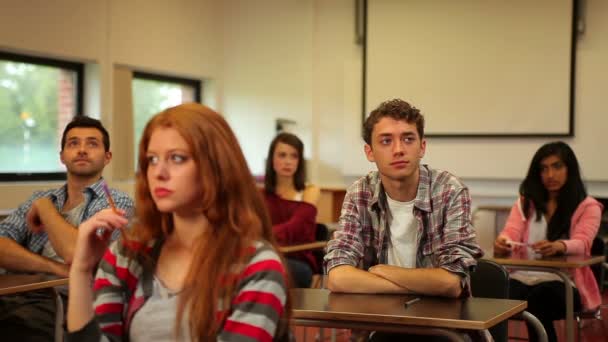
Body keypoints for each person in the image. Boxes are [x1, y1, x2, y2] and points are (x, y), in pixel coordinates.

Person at [67, 103, 289, 341]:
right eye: (152, 159)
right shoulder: (126, 255)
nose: (159, 172)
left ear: (216, 166)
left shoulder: (255, 264)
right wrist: (81, 271)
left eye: (177, 158)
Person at [324, 99, 483, 341]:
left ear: (422, 147)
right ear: (369, 152)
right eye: (386, 141)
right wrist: (418, 284)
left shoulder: (449, 191)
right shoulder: (360, 193)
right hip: (380, 323)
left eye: (408, 139)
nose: (398, 149)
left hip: (443, 327)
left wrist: (382, 272)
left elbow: (451, 283)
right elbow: (337, 276)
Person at [0, 115, 134, 341]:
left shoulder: (118, 204)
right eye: (73, 143)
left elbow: (77, 252)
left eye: (92, 143)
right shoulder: (40, 197)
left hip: (65, 303)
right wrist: (54, 267)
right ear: (62, 156)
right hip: (14, 294)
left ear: (107, 157)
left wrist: (44, 209)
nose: (82, 150)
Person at [494, 141, 602, 342]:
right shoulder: (526, 202)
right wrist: (503, 241)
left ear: (570, 169)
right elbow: (511, 232)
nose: (550, 175)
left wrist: (561, 246)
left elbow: (584, 242)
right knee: (491, 292)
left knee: (539, 299)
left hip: (565, 282)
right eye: (544, 169)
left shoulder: (588, 206)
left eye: (557, 166)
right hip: (523, 277)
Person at [263, 132, 320, 288]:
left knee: (265, 268)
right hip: (267, 254)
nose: (288, 161)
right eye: (282, 155)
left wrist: (263, 235)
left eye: (294, 156)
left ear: (300, 161)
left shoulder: (309, 190)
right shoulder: (260, 194)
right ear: (272, 160)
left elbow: (297, 227)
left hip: (298, 259)